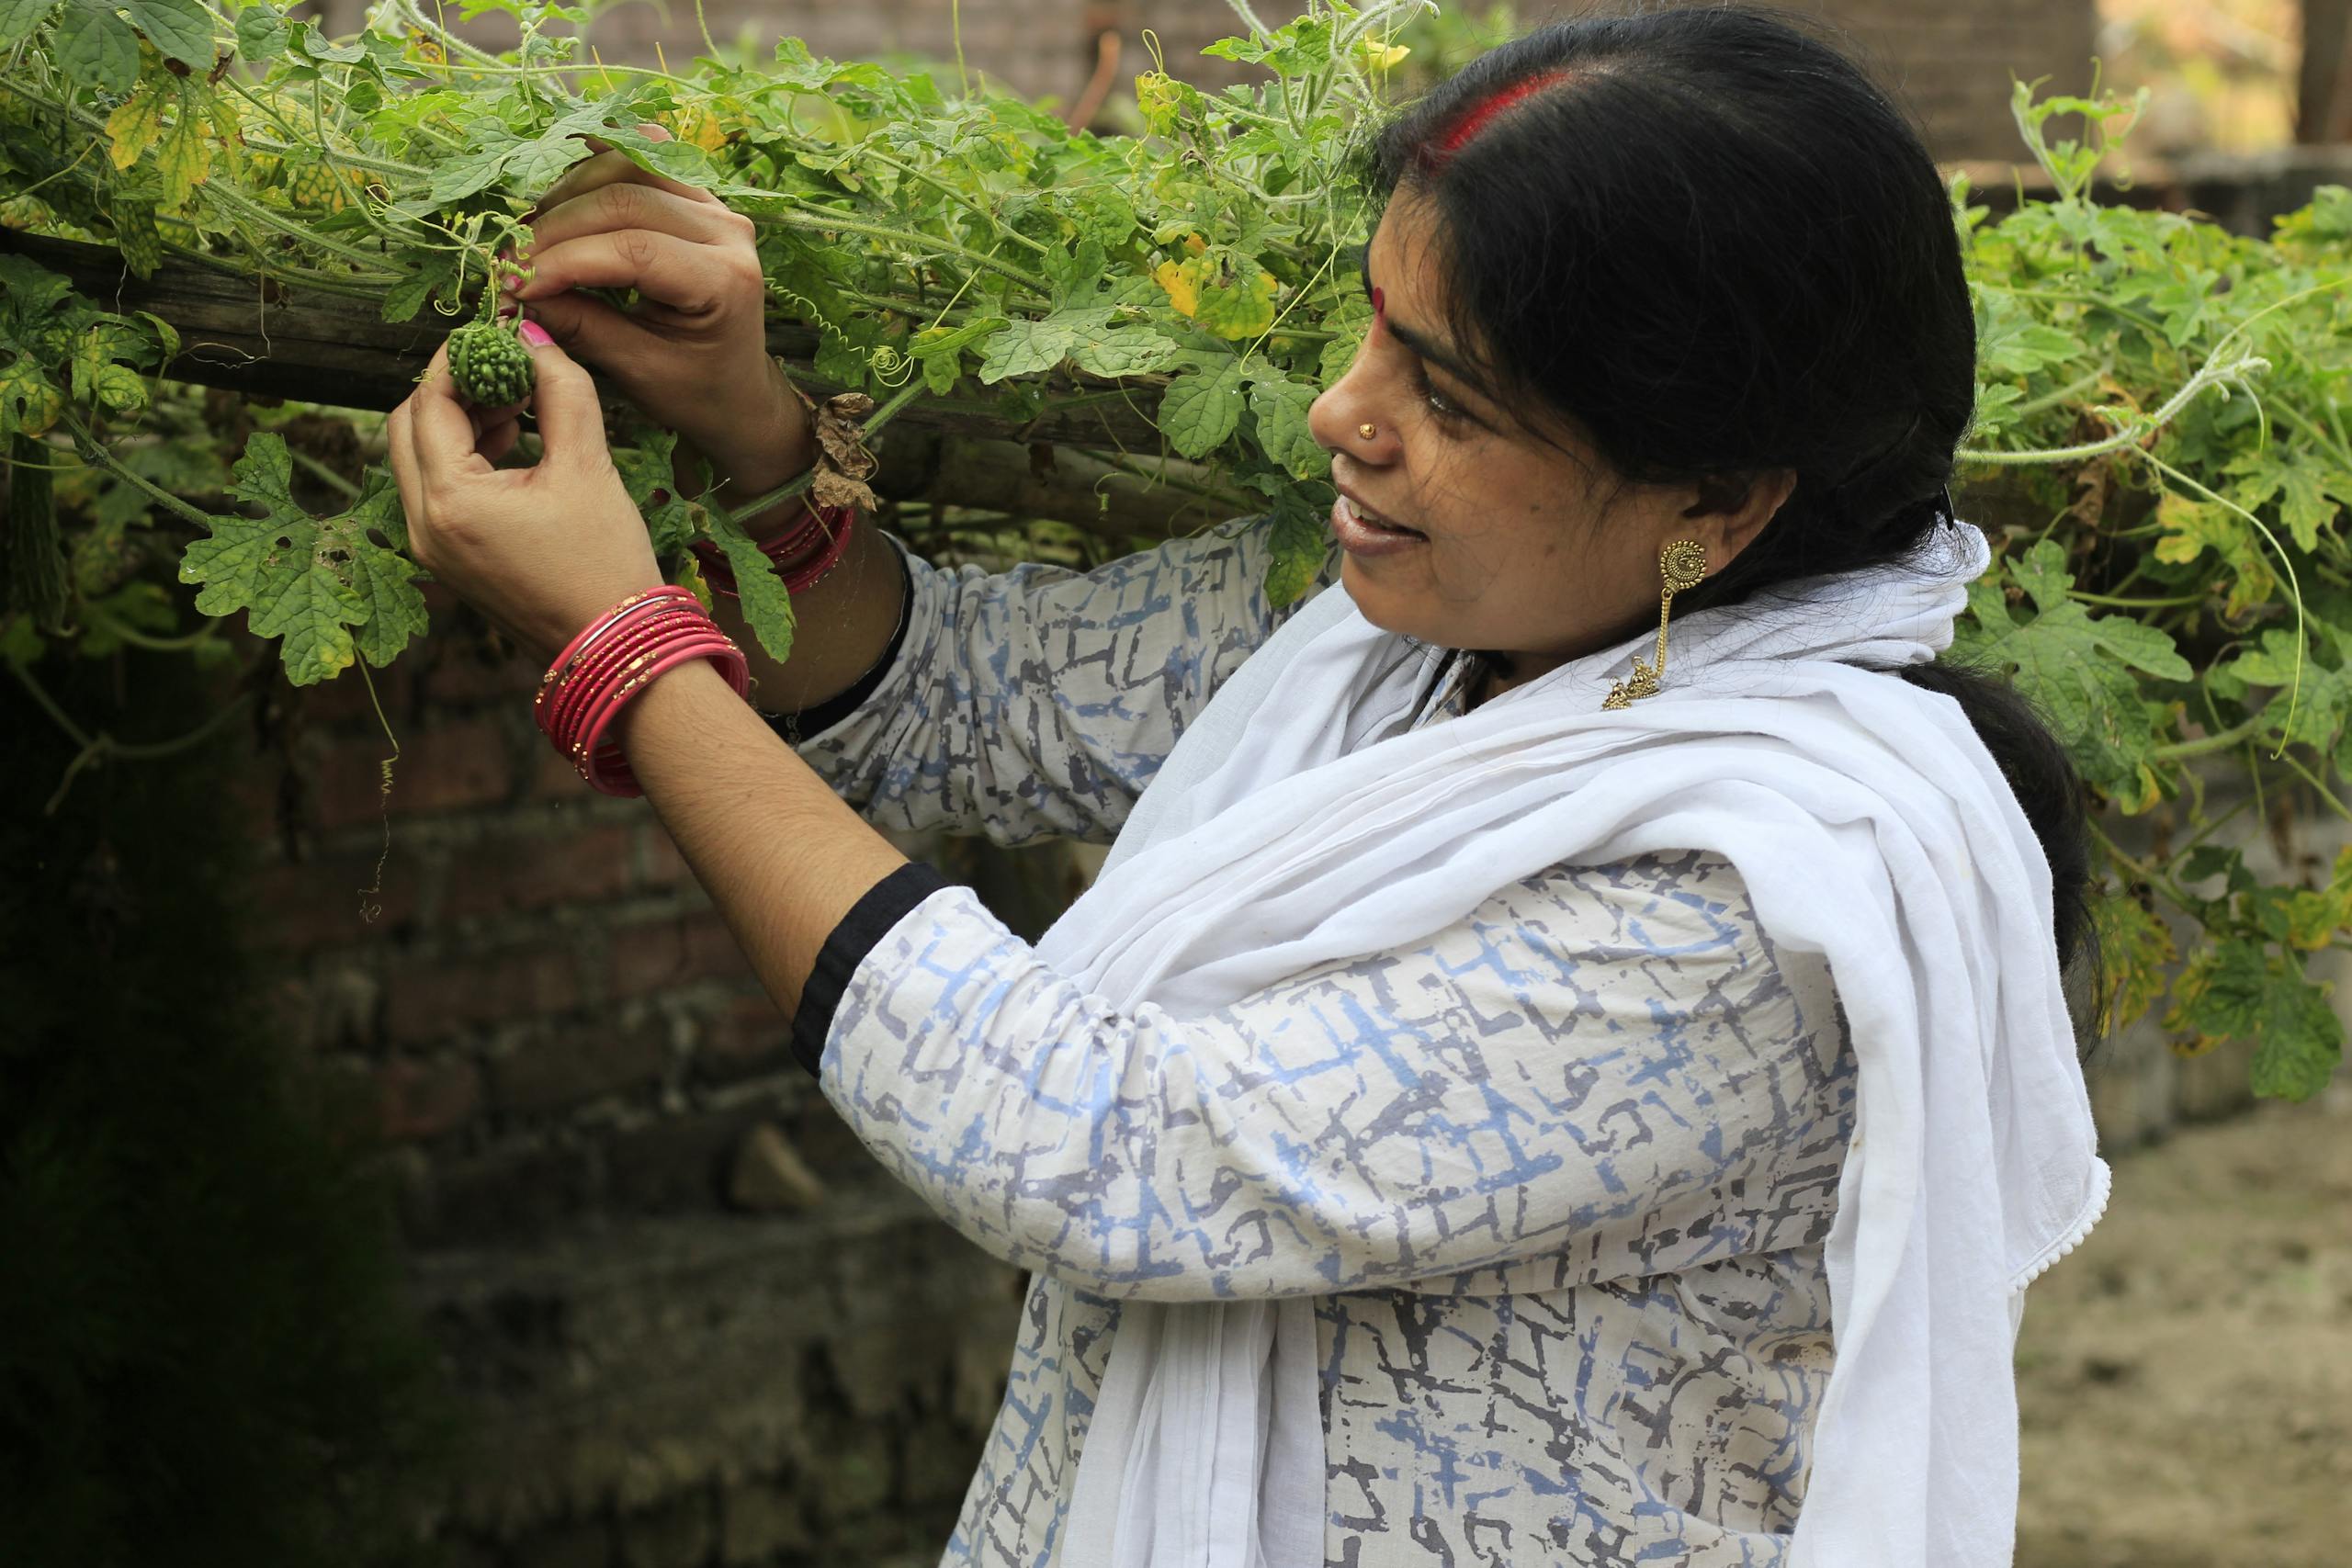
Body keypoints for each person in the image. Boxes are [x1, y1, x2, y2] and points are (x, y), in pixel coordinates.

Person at [385, 8, 2111, 1564]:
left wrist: (626, 653)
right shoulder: (1395, 636)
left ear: (1713, 506)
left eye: (1448, 398)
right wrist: (754, 434)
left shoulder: (1761, 909)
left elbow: (1097, 1149)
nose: (1338, 413)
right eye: (1376, 327)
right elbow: (957, 701)